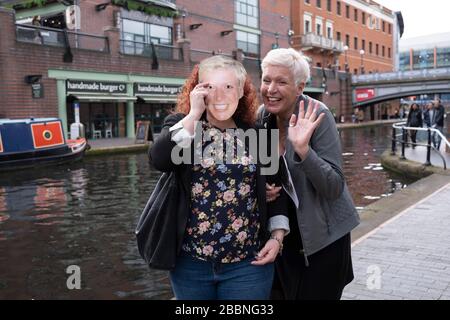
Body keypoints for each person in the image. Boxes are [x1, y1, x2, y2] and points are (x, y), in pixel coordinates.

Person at [149, 55, 289, 300]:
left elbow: (276, 190)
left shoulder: (257, 134)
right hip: (190, 264)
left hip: (248, 264)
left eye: (228, 87)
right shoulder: (182, 126)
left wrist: (277, 238)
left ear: (241, 92)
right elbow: (159, 160)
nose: (220, 95)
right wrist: (193, 116)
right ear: (198, 91)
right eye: (210, 87)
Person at [258, 48, 360, 300]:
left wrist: (304, 151)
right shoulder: (262, 118)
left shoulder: (318, 115)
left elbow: (334, 186)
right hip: (283, 234)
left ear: (299, 87)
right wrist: (263, 189)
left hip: (323, 238)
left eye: (281, 82)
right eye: (266, 79)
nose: (271, 89)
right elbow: (266, 172)